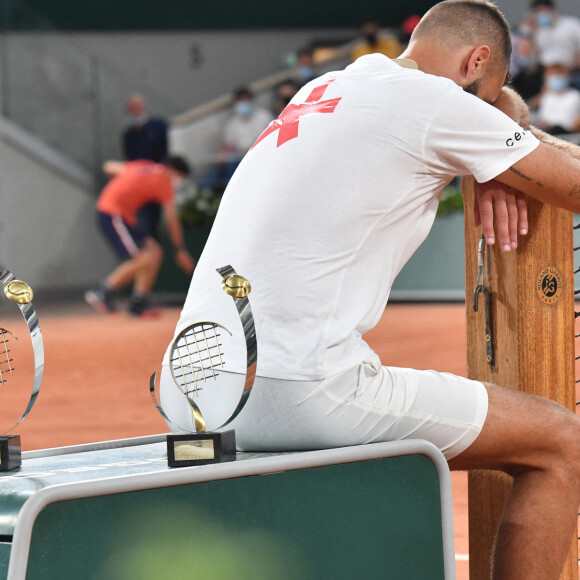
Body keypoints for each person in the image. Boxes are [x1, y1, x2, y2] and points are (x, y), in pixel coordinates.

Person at [160, 2, 580, 578]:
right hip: (300, 389)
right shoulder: (435, 105)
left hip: (191, 389)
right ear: (474, 60)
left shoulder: (327, 85)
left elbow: (472, 117)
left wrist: (494, 149)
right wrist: (499, 150)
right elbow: (572, 186)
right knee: (561, 443)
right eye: (488, 91)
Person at [86, 156, 195, 317]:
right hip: (113, 214)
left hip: (120, 214)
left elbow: (109, 166)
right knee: (143, 257)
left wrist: (126, 186)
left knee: (154, 251)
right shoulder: (164, 180)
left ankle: (139, 301)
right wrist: (180, 249)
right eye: (180, 178)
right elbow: (172, 219)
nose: (178, 182)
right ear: (174, 171)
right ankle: (103, 291)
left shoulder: (144, 166)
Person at [197, 87, 273, 193]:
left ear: (251, 100)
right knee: (206, 181)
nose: (243, 104)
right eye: (240, 101)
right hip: (238, 158)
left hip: (259, 155)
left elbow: (272, 137)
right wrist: (222, 155)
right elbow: (230, 145)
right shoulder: (232, 123)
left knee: (234, 168)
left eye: (245, 100)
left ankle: (235, 192)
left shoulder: (264, 116)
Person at [530, 0, 580, 85]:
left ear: (552, 10)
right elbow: (533, 55)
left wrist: (568, 69)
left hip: (572, 71)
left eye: (543, 11)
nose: (541, 14)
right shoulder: (538, 32)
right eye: (538, 12)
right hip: (546, 74)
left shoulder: (571, 25)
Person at [123, 94, 169, 164]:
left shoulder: (159, 126)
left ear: (143, 107)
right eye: (133, 109)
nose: (136, 113)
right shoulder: (128, 136)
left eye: (138, 108)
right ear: (128, 111)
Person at [536, 61, 580, 134]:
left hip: (568, 133)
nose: (556, 77)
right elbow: (542, 119)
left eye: (559, 74)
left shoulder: (576, 96)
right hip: (548, 132)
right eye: (553, 75)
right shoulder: (546, 97)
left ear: (567, 76)